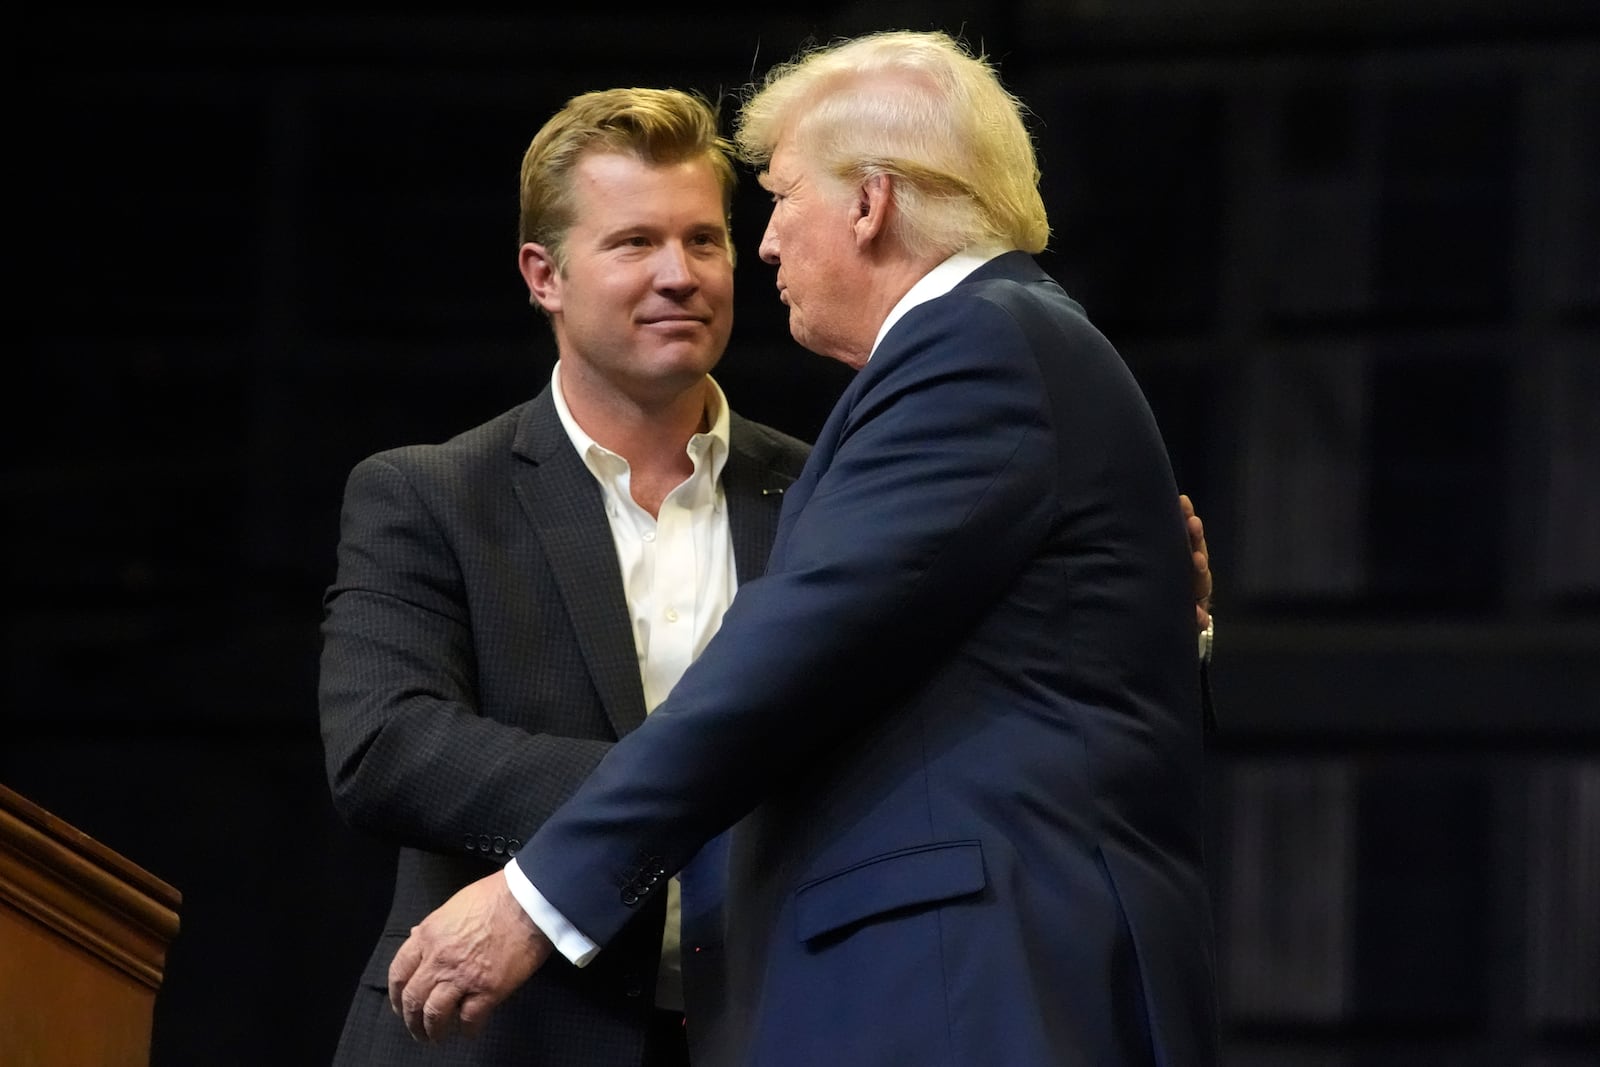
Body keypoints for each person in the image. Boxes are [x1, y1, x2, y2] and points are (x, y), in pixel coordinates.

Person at [348, 50, 1217, 1067]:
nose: (762, 247)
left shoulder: (965, 355)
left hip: (974, 981)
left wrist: (539, 893)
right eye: (635, 240)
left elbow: (780, 669)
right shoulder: (1007, 344)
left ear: (870, 205)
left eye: (774, 200)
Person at [318, 88, 812, 1067]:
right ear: (543, 275)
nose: (679, 274)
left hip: (768, 1031)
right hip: (502, 1036)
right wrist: (680, 791)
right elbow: (385, 743)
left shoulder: (824, 490)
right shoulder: (429, 493)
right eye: (635, 242)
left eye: (703, 240)